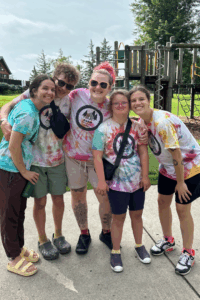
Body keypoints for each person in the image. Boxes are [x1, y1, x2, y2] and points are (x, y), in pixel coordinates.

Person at [0, 63, 80, 260]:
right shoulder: (32, 95)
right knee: (40, 201)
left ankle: (58, 235)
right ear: (54, 78)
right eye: (59, 82)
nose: (61, 88)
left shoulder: (69, 102)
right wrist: (4, 121)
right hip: (34, 160)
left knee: (59, 199)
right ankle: (42, 239)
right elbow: (7, 105)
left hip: (57, 159)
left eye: (68, 86)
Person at [129, 85, 200, 276]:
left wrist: (180, 182)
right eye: (133, 100)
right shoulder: (145, 120)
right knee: (162, 202)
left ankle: (188, 252)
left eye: (141, 99)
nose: (137, 103)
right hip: (168, 167)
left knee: (182, 208)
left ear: (148, 99)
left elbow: (176, 152)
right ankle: (168, 240)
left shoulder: (161, 123)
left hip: (189, 167)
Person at [0, 74, 55, 276]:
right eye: (45, 88)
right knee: (8, 214)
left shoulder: (32, 108)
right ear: (33, 90)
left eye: (52, 89)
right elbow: (14, 146)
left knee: (18, 211)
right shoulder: (28, 114)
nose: (49, 92)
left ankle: (19, 248)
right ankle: (13, 258)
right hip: (10, 168)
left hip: (17, 168)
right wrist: (24, 171)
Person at [92, 89, 151, 272]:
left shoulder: (137, 127)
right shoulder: (103, 129)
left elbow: (142, 152)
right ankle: (115, 251)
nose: (120, 106)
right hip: (116, 184)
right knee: (118, 218)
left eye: (124, 102)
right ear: (111, 106)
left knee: (137, 215)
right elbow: (97, 157)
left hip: (136, 182)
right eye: (116, 103)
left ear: (129, 105)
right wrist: (101, 181)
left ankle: (139, 245)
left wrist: (145, 175)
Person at [62, 62, 116, 254]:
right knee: (78, 195)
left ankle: (106, 232)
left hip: (97, 161)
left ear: (110, 88)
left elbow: (126, 121)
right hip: (73, 157)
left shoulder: (111, 106)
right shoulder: (76, 95)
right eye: (94, 82)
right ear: (88, 82)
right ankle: (84, 233)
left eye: (103, 85)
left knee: (105, 198)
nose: (97, 87)